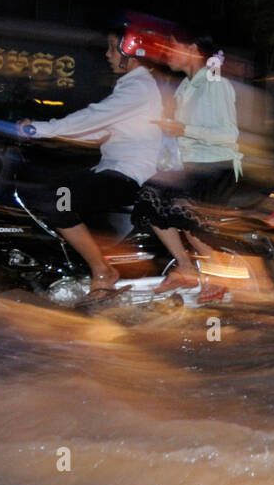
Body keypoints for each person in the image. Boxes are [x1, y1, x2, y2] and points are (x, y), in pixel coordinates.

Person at [17, 18, 163, 302]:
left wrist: (40, 127)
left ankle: (102, 270)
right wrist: (48, 135)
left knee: (56, 201)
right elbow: (97, 131)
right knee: (54, 187)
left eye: (112, 48)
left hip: (127, 176)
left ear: (131, 50)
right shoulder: (131, 87)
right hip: (111, 171)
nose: (108, 55)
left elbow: (94, 116)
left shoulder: (138, 88)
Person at [141, 33, 244, 298]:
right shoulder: (185, 87)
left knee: (182, 207)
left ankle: (218, 273)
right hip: (192, 166)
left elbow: (229, 135)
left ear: (193, 50)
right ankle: (186, 267)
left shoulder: (215, 84)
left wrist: (184, 128)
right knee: (149, 195)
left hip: (217, 166)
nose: (166, 52)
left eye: (172, 46)